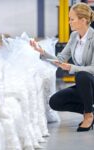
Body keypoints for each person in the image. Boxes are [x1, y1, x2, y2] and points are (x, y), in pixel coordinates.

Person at [30, 2, 94, 132]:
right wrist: (42, 52)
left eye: (72, 19)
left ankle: (88, 115)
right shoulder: (74, 36)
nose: (69, 22)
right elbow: (60, 60)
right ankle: (91, 111)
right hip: (84, 86)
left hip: (90, 82)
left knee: (82, 75)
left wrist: (71, 67)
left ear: (83, 20)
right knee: (55, 102)